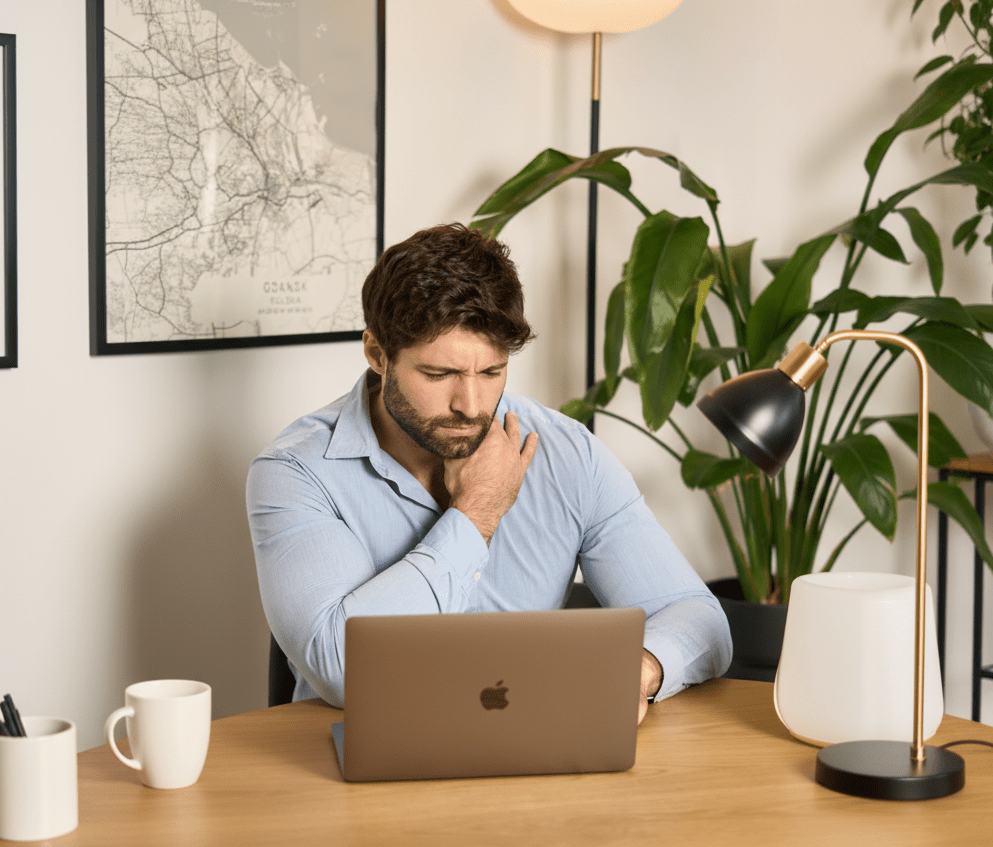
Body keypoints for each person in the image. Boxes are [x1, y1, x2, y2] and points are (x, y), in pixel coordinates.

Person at [247, 223, 731, 722]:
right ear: (377, 355)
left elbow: (701, 620)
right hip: (355, 763)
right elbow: (342, 670)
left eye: (492, 372)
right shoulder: (297, 472)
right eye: (439, 375)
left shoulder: (567, 455)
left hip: (528, 754)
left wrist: (643, 667)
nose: (471, 406)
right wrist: (476, 513)